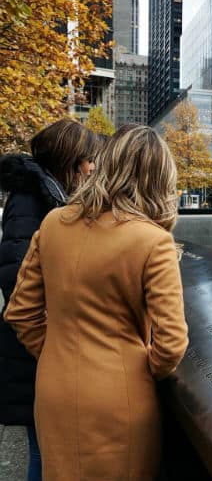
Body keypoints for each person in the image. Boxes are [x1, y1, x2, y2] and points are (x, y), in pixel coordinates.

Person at [3, 125, 189, 480]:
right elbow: (171, 344)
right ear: (159, 178)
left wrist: (55, 352)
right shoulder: (154, 241)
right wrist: (135, 371)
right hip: (119, 399)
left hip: (53, 389)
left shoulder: (54, 223)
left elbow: (21, 312)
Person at [0, 118, 101, 481]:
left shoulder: (45, 194)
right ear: (70, 159)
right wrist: (50, 345)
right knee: (47, 455)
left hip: (38, 352)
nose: (92, 168)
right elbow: (16, 279)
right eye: (88, 160)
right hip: (33, 356)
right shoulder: (31, 200)